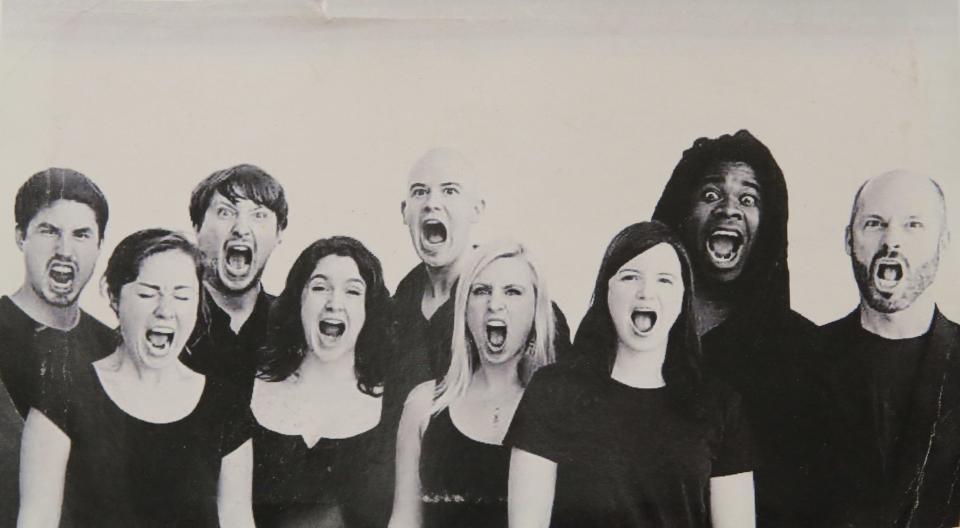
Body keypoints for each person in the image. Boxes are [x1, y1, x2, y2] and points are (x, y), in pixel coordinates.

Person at [506, 221, 756, 528]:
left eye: (664, 280)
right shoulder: (552, 391)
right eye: (630, 276)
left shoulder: (720, 406)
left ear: (682, 299)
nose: (646, 292)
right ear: (606, 290)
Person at [18, 229, 255, 527]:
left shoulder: (225, 405)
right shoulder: (62, 395)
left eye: (182, 295)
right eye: (147, 293)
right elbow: (36, 520)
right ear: (113, 296)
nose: (165, 311)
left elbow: (237, 520)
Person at [650, 130, 820, 527]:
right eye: (710, 195)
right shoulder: (628, 334)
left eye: (749, 198)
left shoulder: (806, 354)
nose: (729, 209)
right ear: (680, 214)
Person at [817, 171, 959, 527]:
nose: (892, 241)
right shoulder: (800, 358)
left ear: (943, 243)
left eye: (913, 225)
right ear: (849, 240)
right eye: (874, 223)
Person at [389, 148, 571, 426]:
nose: (431, 203)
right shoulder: (392, 310)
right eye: (419, 192)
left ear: (476, 209)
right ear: (404, 211)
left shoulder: (525, 307)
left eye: (450, 191)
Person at [390, 240, 557, 528]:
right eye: (481, 291)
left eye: (513, 292)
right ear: (464, 309)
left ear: (535, 311)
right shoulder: (424, 404)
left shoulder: (556, 411)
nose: (494, 304)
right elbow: (404, 520)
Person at [250, 236, 394, 528]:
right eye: (319, 287)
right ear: (297, 302)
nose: (334, 303)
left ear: (369, 310)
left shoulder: (395, 405)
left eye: (353, 291)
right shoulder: (249, 391)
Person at [0, 168, 113, 526]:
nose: (65, 250)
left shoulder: (114, 349)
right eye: (49, 231)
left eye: (81, 235)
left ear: (99, 244)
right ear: (21, 237)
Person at [181, 163, 288, 397]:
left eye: (259, 215)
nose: (241, 229)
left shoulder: (294, 327)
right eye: (225, 212)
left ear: (279, 233)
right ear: (196, 227)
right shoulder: (165, 320)